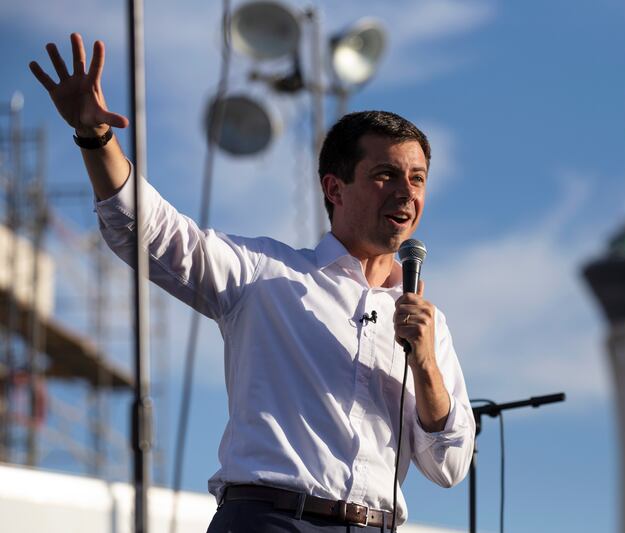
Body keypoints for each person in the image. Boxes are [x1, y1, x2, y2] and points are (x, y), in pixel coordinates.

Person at [30, 33, 475, 532]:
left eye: (416, 179)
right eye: (385, 175)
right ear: (335, 187)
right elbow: (147, 230)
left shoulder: (425, 324)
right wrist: (96, 139)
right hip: (269, 519)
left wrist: (426, 363)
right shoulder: (263, 273)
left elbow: (449, 466)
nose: (405, 192)